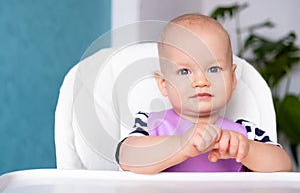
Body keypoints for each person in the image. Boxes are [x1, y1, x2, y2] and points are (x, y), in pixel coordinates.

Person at [115, 13, 292, 174]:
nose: (201, 82)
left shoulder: (245, 132)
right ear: (164, 84)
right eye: (184, 71)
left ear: (232, 79)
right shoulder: (150, 123)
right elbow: (127, 157)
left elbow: (284, 166)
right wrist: (180, 145)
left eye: (214, 69)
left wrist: (247, 150)